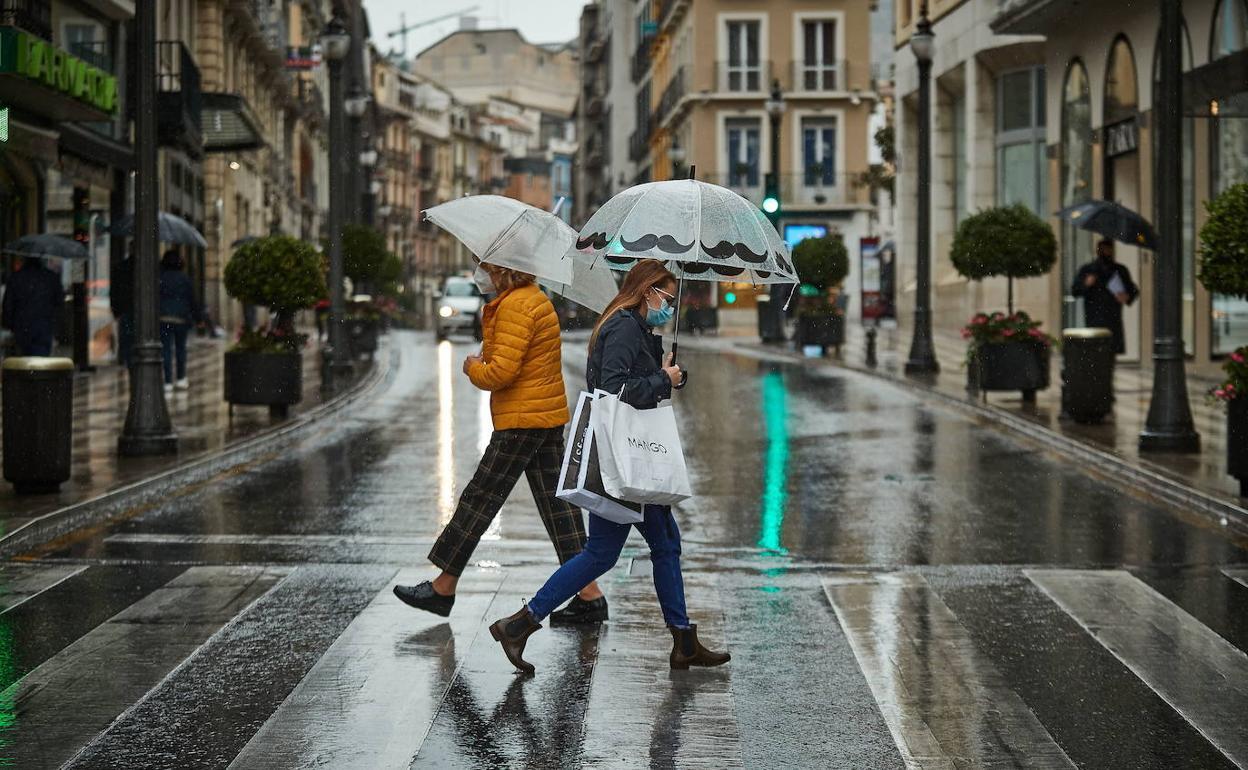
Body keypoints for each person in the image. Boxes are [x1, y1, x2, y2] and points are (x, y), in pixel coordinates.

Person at [487, 260, 730, 675]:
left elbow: (633, 380)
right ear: (647, 291)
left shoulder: (635, 328)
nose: (669, 306)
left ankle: (523, 624)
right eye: (667, 298)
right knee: (638, 548)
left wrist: (668, 372)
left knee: (637, 547)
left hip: (629, 459)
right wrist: (661, 381)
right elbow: (612, 390)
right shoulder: (621, 327)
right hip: (624, 461)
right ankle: (520, 624)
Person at [393, 262, 607, 623]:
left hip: (522, 420)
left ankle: (443, 587)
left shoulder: (516, 305)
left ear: (503, 272)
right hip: (544, 415)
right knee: (558, 507)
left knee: (481, 497)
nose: (482, 274)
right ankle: (589, 594)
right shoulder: (532, 299)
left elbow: (500, 373)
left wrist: (473, 366)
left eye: (487, 268)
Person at [1071, 238, 1139, 355]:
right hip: (1093, 317)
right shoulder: (1088, 270)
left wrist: (1126, 297)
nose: (1105, 252)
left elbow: (1133, 290)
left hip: (1112, 317)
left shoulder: (1119, 270)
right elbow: (1075, 290)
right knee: (1094, 351)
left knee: (1110, 350)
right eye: (1102, 249)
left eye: (1108, 249)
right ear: (1097, 251)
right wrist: (1086, 284)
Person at [1, 256, 63, 356]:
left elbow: (8, 304)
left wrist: (8, 324)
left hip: (21, 327)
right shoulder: (51, 278)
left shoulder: (16, 277)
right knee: (41, 359)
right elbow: (59, 304)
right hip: (44, 327)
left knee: (23, 359)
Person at [158, 250, 201, 392]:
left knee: (166, 350)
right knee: (180, 348)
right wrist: (198, 319)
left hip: (164, 318)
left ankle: (168, 381)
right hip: (181, 319)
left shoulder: (160, 278)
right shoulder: (185, 279)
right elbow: (192, 300)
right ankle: (181, 378)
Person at [111, 247, 135, 367]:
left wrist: (115, 309)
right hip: (139, 310)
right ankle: (130, 360)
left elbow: (114, 291)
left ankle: (127, 360)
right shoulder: (145, 268)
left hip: (125, 309)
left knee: (126, 338)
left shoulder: (120, 267)